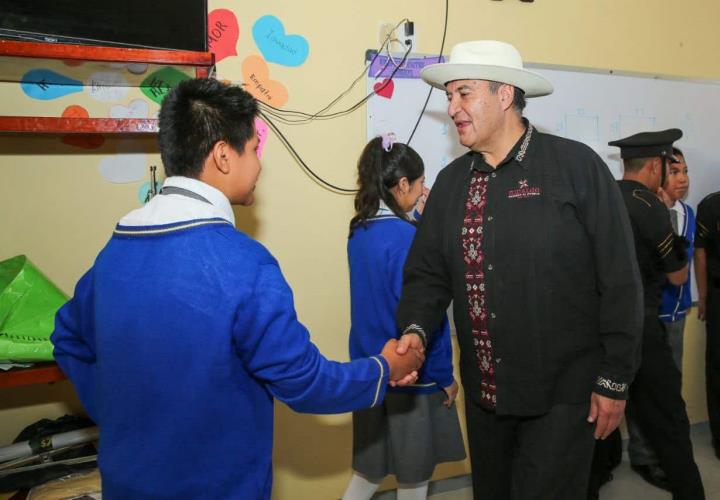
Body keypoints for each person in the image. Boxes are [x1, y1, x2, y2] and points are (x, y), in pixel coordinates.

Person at [50, 78, 423, 500]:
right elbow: (306, 382)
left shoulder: (115, 252)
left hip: (127, 484)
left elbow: (67, 338)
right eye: (255, 149)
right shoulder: (243, 264)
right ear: (224, 156)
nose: (260, 164)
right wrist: (384, 368)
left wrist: (115, 411)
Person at [394, 40, 643, 500]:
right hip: (486, 398)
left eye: (463, 93)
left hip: (563, 399)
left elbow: (620, 281)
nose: (452, 108)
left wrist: (614, 379)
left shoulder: (576, 168)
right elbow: (427, 275)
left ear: (504, 95)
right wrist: (414, 328)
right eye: (450, 96)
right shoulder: (451, 184)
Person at [342, 135, 466, 500]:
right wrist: (444, 375)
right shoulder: (408, 237)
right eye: (421, 182)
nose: (424, 190)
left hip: (372, 368)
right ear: (402, 185)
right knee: (414, 478)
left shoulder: (359, 230)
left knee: (368, 473)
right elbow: (428, 315)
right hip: (412, 374)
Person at [610, 129, 705, 499]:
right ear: (655, 165)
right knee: (668, 416)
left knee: (598, 415)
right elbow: (678, 274)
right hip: (643, 328)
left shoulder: (604, 195)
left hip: (603, 330)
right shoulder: (650, 206)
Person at [695, 187, 720, 460]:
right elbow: (700, 254)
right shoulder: (711, 205)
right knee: (717, 368)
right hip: (718, 297)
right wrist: (702, 296)